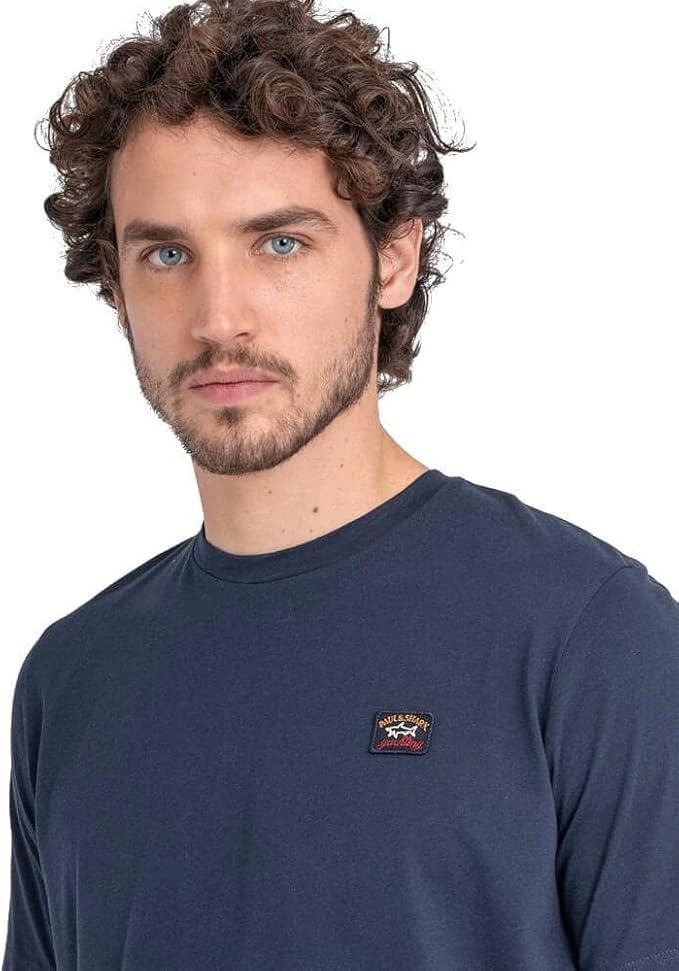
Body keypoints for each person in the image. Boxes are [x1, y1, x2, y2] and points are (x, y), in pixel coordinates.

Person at [3, 0, 678, 968]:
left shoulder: (589, 635)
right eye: (167, 253)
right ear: (116, 284)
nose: (218, 318)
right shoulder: (72, 678)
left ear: (393, 259)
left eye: (279, 242)